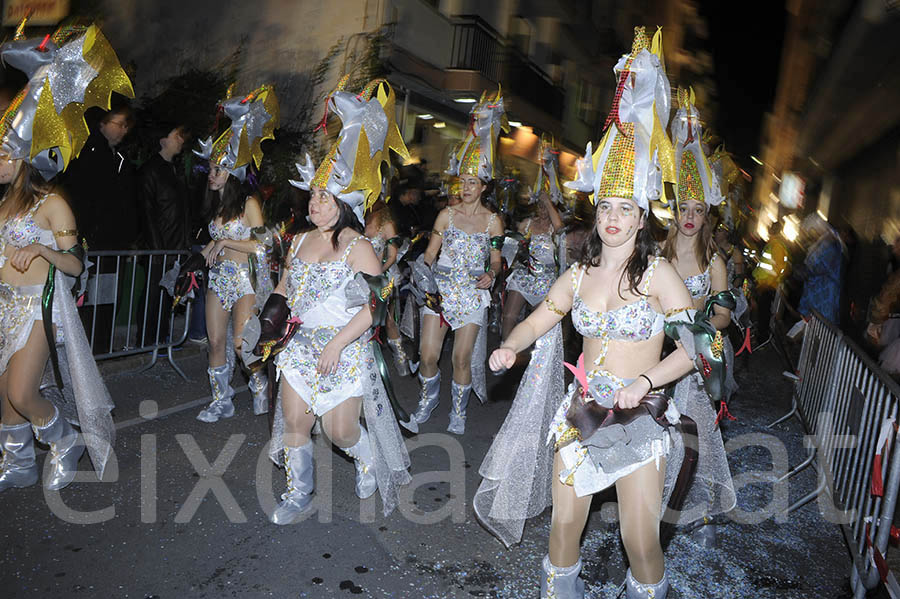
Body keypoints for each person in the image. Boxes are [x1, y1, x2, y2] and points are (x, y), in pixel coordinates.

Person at [477, 27, 703, 598]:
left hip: (639, 418)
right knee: (562, 528)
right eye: (606, 206)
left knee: (640, 540)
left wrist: (647, 382)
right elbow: (542, 316)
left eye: (625, 209)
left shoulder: (658, 275)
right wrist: (513, 344)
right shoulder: (577, 273)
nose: (613, 218)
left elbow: (696, 348)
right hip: (581, 413)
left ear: (640, 217)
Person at [263, 78, 411, 523]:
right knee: (295, 424)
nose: (315, 201)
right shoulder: (300, 241)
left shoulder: (358, 246)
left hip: (344, 348)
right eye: (313, 194)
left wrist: (337, 344)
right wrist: (268, 322)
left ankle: (365, 455)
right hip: (301, 346)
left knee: (340, 430)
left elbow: (375, 306)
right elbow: (285, 287)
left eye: (324, 196)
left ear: (344, 200)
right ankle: (299, 494)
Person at [0, 23, 128, 492]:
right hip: (4, 307)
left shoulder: (53, 203)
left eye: (1, 151)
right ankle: (17, 464)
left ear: (23, 157)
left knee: (21, 391)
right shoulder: (2, 205)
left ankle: (63, 439)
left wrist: (41, 248)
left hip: (38, 307)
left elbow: (76, 264)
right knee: (2, 398)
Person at [662, 87, 737, 547]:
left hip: (700, 356)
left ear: (706, 213)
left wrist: (699, 327)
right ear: (674, 210)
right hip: (661, 353)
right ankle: (662, 498)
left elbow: (725, 315)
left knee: (695, 434)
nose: (689, 217)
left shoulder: (715, 261)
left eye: (697, 210)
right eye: (683, 208)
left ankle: (701, 509)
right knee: (660, 429)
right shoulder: (660, 251)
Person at [411, 89, 507, 435]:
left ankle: (458, 411)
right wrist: (423, 282)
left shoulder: (493, 221)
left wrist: (490, 276)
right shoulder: (444, 216)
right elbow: (429, 257)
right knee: (427, 356)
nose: (465, 187)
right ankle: (428, 397)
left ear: (483, 186)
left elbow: (495, 262)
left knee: (461, 358)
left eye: (472, 182)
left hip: (472, 296)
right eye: (462, 181)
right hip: (440, 291)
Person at [191, 85, 279, 422]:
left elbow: (263, 244)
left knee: (243, 346)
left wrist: (225, 243)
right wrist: (209, 247)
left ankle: (258, 381)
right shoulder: (214, 206)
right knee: (215, 342)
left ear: (233, 173)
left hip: (246, 279)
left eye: (217, 170)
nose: (211, 175)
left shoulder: (249, 204)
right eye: (210, 169)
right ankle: (221, 400)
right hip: (219, 279)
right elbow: (213, 243)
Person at [502, 135, 565, 337]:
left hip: (546, 280)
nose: (542, 210)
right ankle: (505, 349)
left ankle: (533, 358)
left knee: (537, 324)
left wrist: (548, 202)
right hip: (524, 277)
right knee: (509, 316)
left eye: (545, 207)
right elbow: (510, 250)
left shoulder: (554, 229)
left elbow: (560, 228)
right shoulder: (526, 224)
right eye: (539, 205)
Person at [136, 123, 192, 344]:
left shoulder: (175, 170)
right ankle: (146, 341)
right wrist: (157, 249)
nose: (181, 140)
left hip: (175, 245)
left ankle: (161, 338)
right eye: (176, 135)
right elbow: (147, 213)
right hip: (158, 248)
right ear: (163, 139)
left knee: (168, 296)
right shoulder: (150, 171)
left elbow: (183, 212)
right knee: (152, 296)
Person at [63, 101, 138, 250]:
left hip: (109, 237)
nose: (124, 130)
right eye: (120, 124)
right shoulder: (86, 153)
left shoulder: (119, 156)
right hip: (91, 235)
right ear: (103, 123)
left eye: (126, 126)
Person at [364, 197, 411, 375]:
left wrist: (377, 273)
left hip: (385, 277)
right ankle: (368, 366)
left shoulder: (387, 224)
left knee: (388, 319)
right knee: (364, 321)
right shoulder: (358, 219)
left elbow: (392, 256)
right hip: (362, 279)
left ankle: (401, 362)